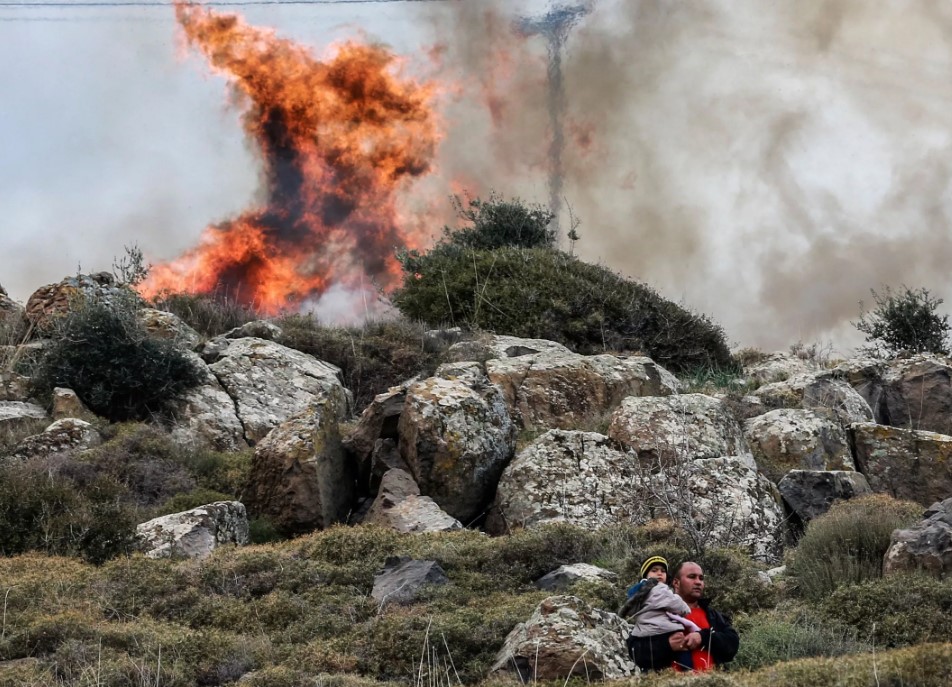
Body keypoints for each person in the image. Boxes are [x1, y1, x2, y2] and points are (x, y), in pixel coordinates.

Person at [625, 561, 739, 673]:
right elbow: (635, 651)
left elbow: (732, 644)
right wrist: (667, 644)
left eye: (701, 578)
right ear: (676, 582)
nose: (698, 582)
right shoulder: (654, 612)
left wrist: (703, 637)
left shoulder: (713, 615)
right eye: (692, 577)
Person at [617, 556, 698, 637]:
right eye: (654, 570)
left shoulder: (640, 591)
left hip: (644, 632)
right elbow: (675, 603)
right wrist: (686, 609)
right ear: (646, 575)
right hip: (662, 630)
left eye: (663, 571)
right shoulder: (657, 588)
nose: (659, 573)